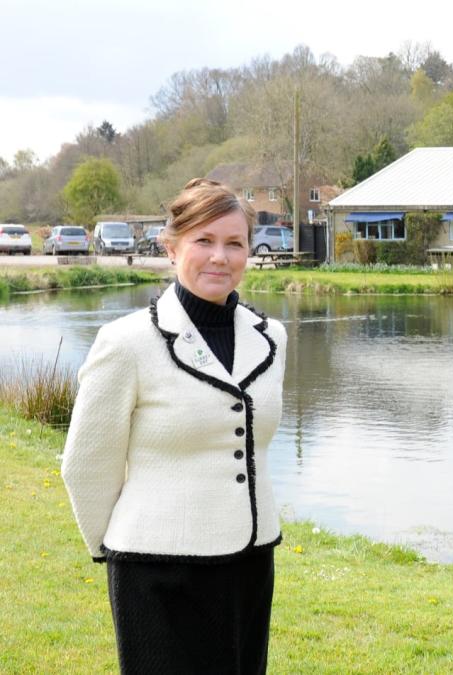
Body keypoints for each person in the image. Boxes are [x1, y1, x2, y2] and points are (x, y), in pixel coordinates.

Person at [62, 178, 288, 674]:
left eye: (234, 244)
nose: (220, 258)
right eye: (203, 241)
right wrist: (116, 546)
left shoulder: (272, 338)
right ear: (171, 247)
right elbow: (85, 464)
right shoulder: (125, 343)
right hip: (155, 567)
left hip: (250, 563)